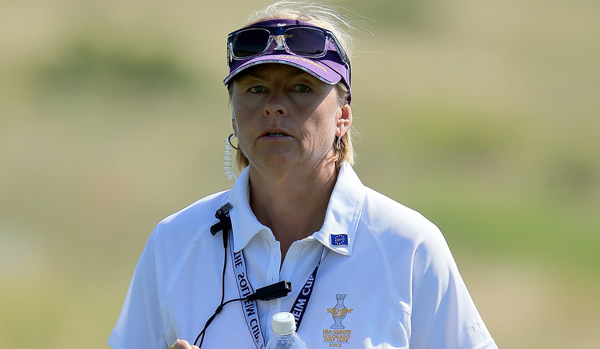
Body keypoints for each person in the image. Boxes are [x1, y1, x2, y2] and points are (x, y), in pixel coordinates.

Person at [108, 1, 498, 348]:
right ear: (233, 113)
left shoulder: (408, 246)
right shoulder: (175, 243)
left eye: (300, 87)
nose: (274, 106)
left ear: (343, 115)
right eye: (256, 88)